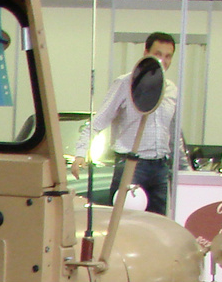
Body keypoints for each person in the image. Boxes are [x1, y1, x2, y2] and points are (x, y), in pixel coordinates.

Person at [69, 31, 180, 215]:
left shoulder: (171, 90)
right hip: (132, 165)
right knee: (124, 221)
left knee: (159, 224)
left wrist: (184, 169)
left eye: (168, 56)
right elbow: (98, 121)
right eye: (158, 54)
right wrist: (81, 152)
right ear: (146, 53)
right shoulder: (125, 84)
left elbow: (174, 134)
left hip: (160, 167)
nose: (163, 61)